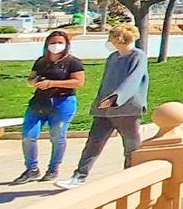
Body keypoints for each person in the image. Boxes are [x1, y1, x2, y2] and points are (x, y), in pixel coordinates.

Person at [56, 24, 149, 189]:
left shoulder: (138, 56)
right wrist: (99, 102)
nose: (109, 41)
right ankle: (79, 176)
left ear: (119, 39)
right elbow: (105, 83)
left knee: (131, 145)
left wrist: (116, 98)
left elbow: (133, 80)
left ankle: (131, 176)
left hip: (127, 109)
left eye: (112, 37)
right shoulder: (112, 58)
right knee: (93, 143)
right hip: (104, 109)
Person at [14, 32, 84, 184]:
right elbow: (31, 78)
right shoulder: (41, 62)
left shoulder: (73, 62)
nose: (56, 45)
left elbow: (78, 82)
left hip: (62, 101)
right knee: (28, 135)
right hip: (40, 101)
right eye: (52, 42)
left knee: (57, 136)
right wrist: (34, 82)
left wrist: (52, 83)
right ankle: (31, 169)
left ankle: (53, 168)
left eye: (60, 42)